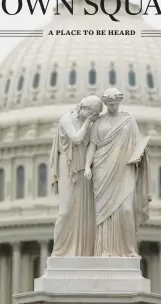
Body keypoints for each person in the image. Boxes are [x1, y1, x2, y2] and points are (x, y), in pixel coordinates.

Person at [85, 88, 152, 257]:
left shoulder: (129, 121)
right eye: (110, 104)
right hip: (102, 170)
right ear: (106, 104)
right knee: (103, 214)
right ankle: (104, 249)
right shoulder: (99, 122)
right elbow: (92, 145)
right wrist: (87, 167)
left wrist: (140, 154)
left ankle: (129, 249)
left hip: (125, 169)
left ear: (119, 102)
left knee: (126, 210)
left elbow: (138, 144)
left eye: (115, 104)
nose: (113, 107)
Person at [49, 95, 103, 257]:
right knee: (65, 211)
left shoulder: (91, 125)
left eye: (96, 115)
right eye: (92, 113)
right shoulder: (66, 119)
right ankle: (59, 251)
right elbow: (76, 139)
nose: (93, 117)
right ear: (84, 108)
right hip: (68, 166)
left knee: (84, 212)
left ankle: (82, 251)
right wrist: (88, 123)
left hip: (84, 171)